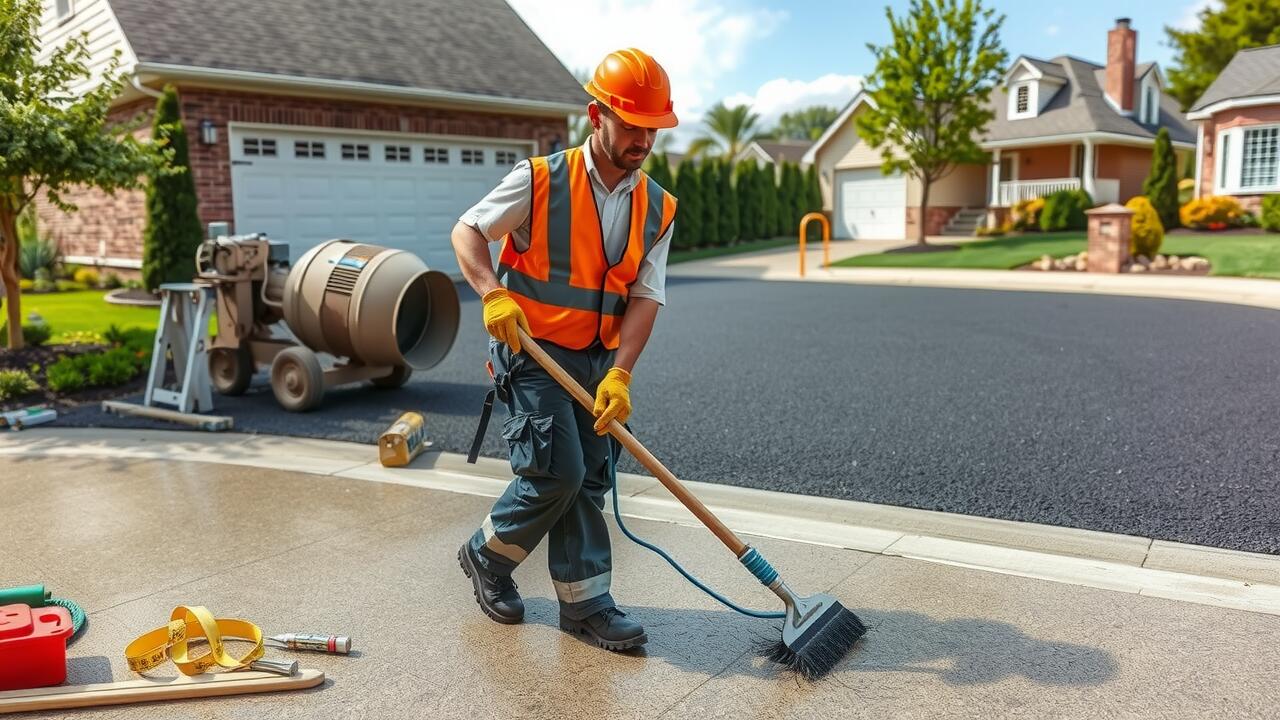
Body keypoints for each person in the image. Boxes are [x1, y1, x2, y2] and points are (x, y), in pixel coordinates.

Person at [450, 48, 679, 651]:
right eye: (630, 124)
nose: (642, 140)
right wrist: (492, 293)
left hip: (596, 359)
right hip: (531, 348)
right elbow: (468, 231)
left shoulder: (657, 207)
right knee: (558, 471)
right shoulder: (540, 179)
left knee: (590, 480)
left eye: (651, 128)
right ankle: (487, 555)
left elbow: (646, 297)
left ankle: (584, 605)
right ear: (595, 115)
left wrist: (621, 375)